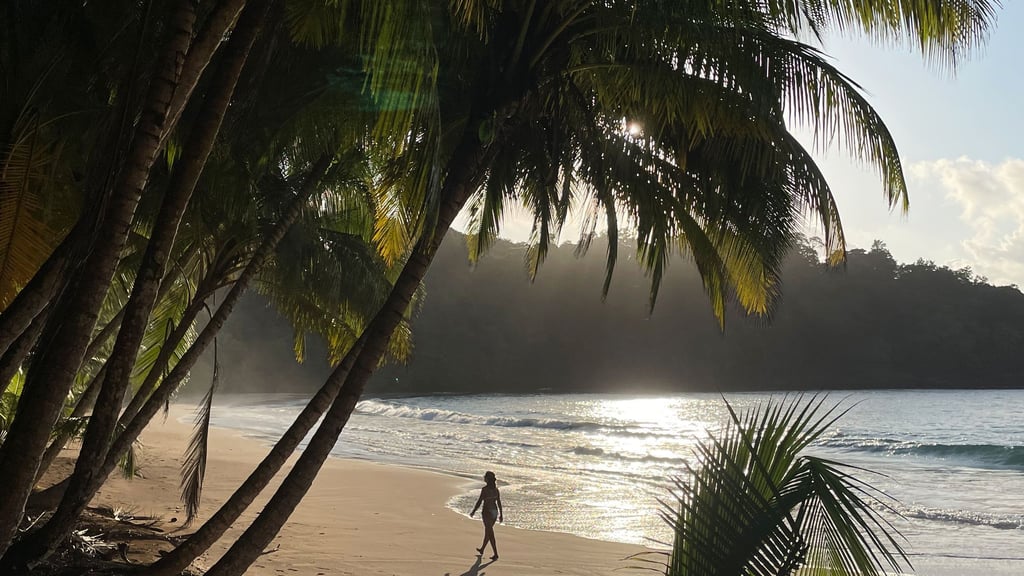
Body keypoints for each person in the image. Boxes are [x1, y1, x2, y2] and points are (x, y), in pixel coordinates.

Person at [469, 471, 503, 560]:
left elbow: (479, 501)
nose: (484, 478)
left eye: (485, 477)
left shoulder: (485, 490)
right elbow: (499, 502)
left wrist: (473, 511)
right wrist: (501, 514)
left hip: (487, 513)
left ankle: (495, 554)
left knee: (490, 533)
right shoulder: (496, 490)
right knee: (488, 531)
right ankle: (482, 549)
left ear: (488, 479)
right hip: (494, 512)